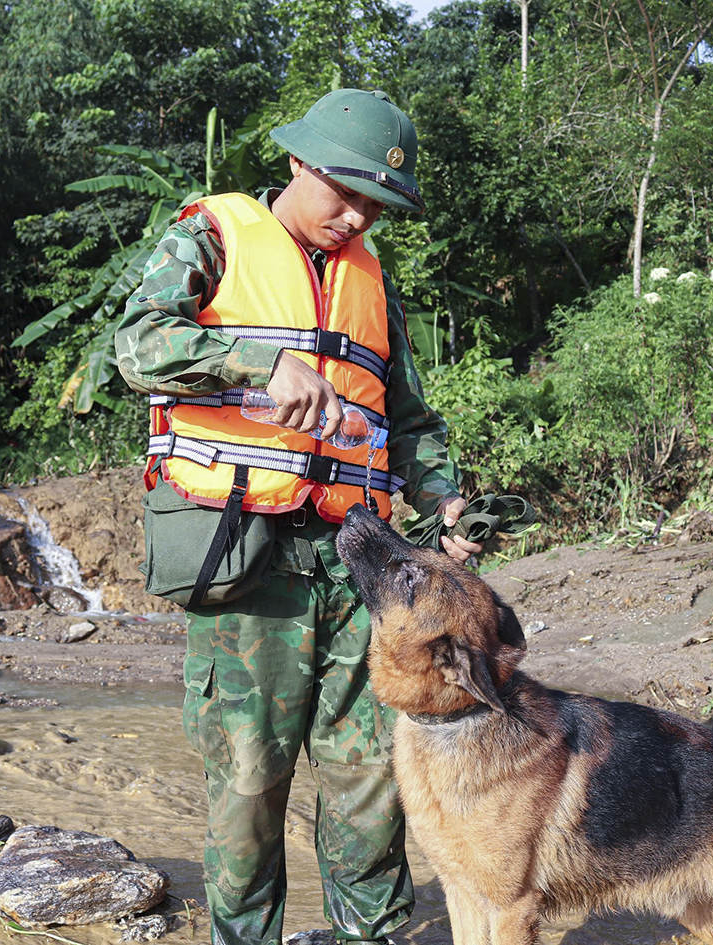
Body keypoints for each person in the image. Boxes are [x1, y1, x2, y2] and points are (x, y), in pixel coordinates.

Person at [114, 88, 481, 945]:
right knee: (248, 785)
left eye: (374, 206)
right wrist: (256, 359)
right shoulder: (210, 236)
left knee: (370, 781)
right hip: (248, 563)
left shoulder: (369, 281)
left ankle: (374, 937)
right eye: (342, 193)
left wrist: (444, 496)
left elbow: (408, 420)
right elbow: (136, 345)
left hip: (361, 567)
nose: (354, 217)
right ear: (295, 163)